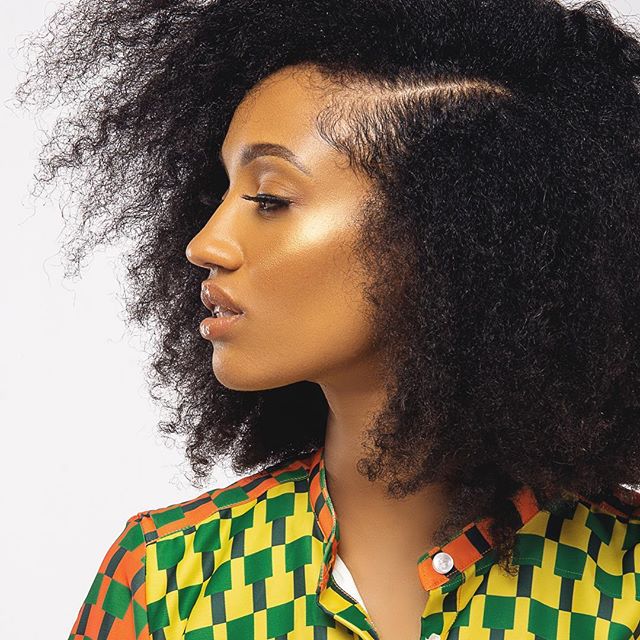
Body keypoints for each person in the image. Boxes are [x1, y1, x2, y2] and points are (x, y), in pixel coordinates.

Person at [13, 0, 640, 637]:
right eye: (219, 192)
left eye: (269, 198)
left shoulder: (627, 581)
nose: (205, 244)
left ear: (449, 232)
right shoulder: (168, 581)